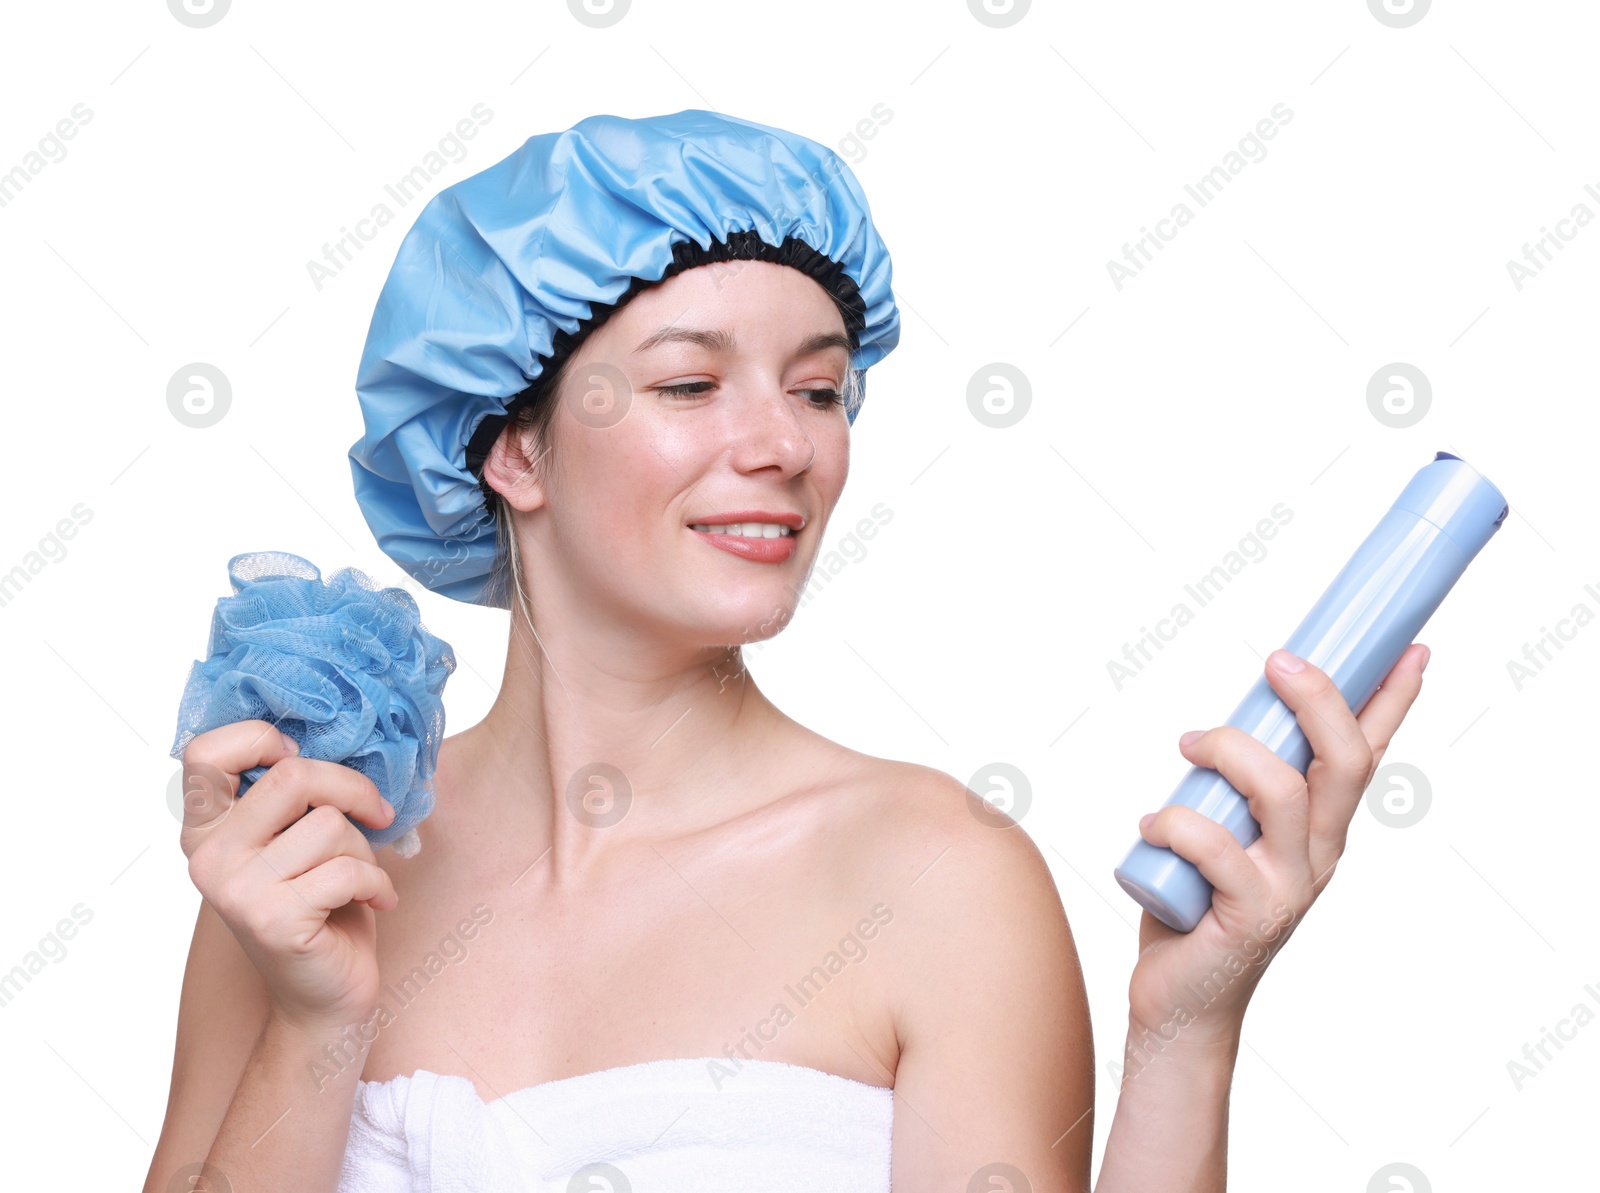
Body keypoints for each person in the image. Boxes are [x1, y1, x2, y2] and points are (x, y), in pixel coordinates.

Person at [143, 109, 1430, 1192]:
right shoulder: (316, 858)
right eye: (691, 385)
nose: (784, 445)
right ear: (511, 447)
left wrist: (1187, 1033)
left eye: (818, 388)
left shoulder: (937, 876)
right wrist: (317, 1023)